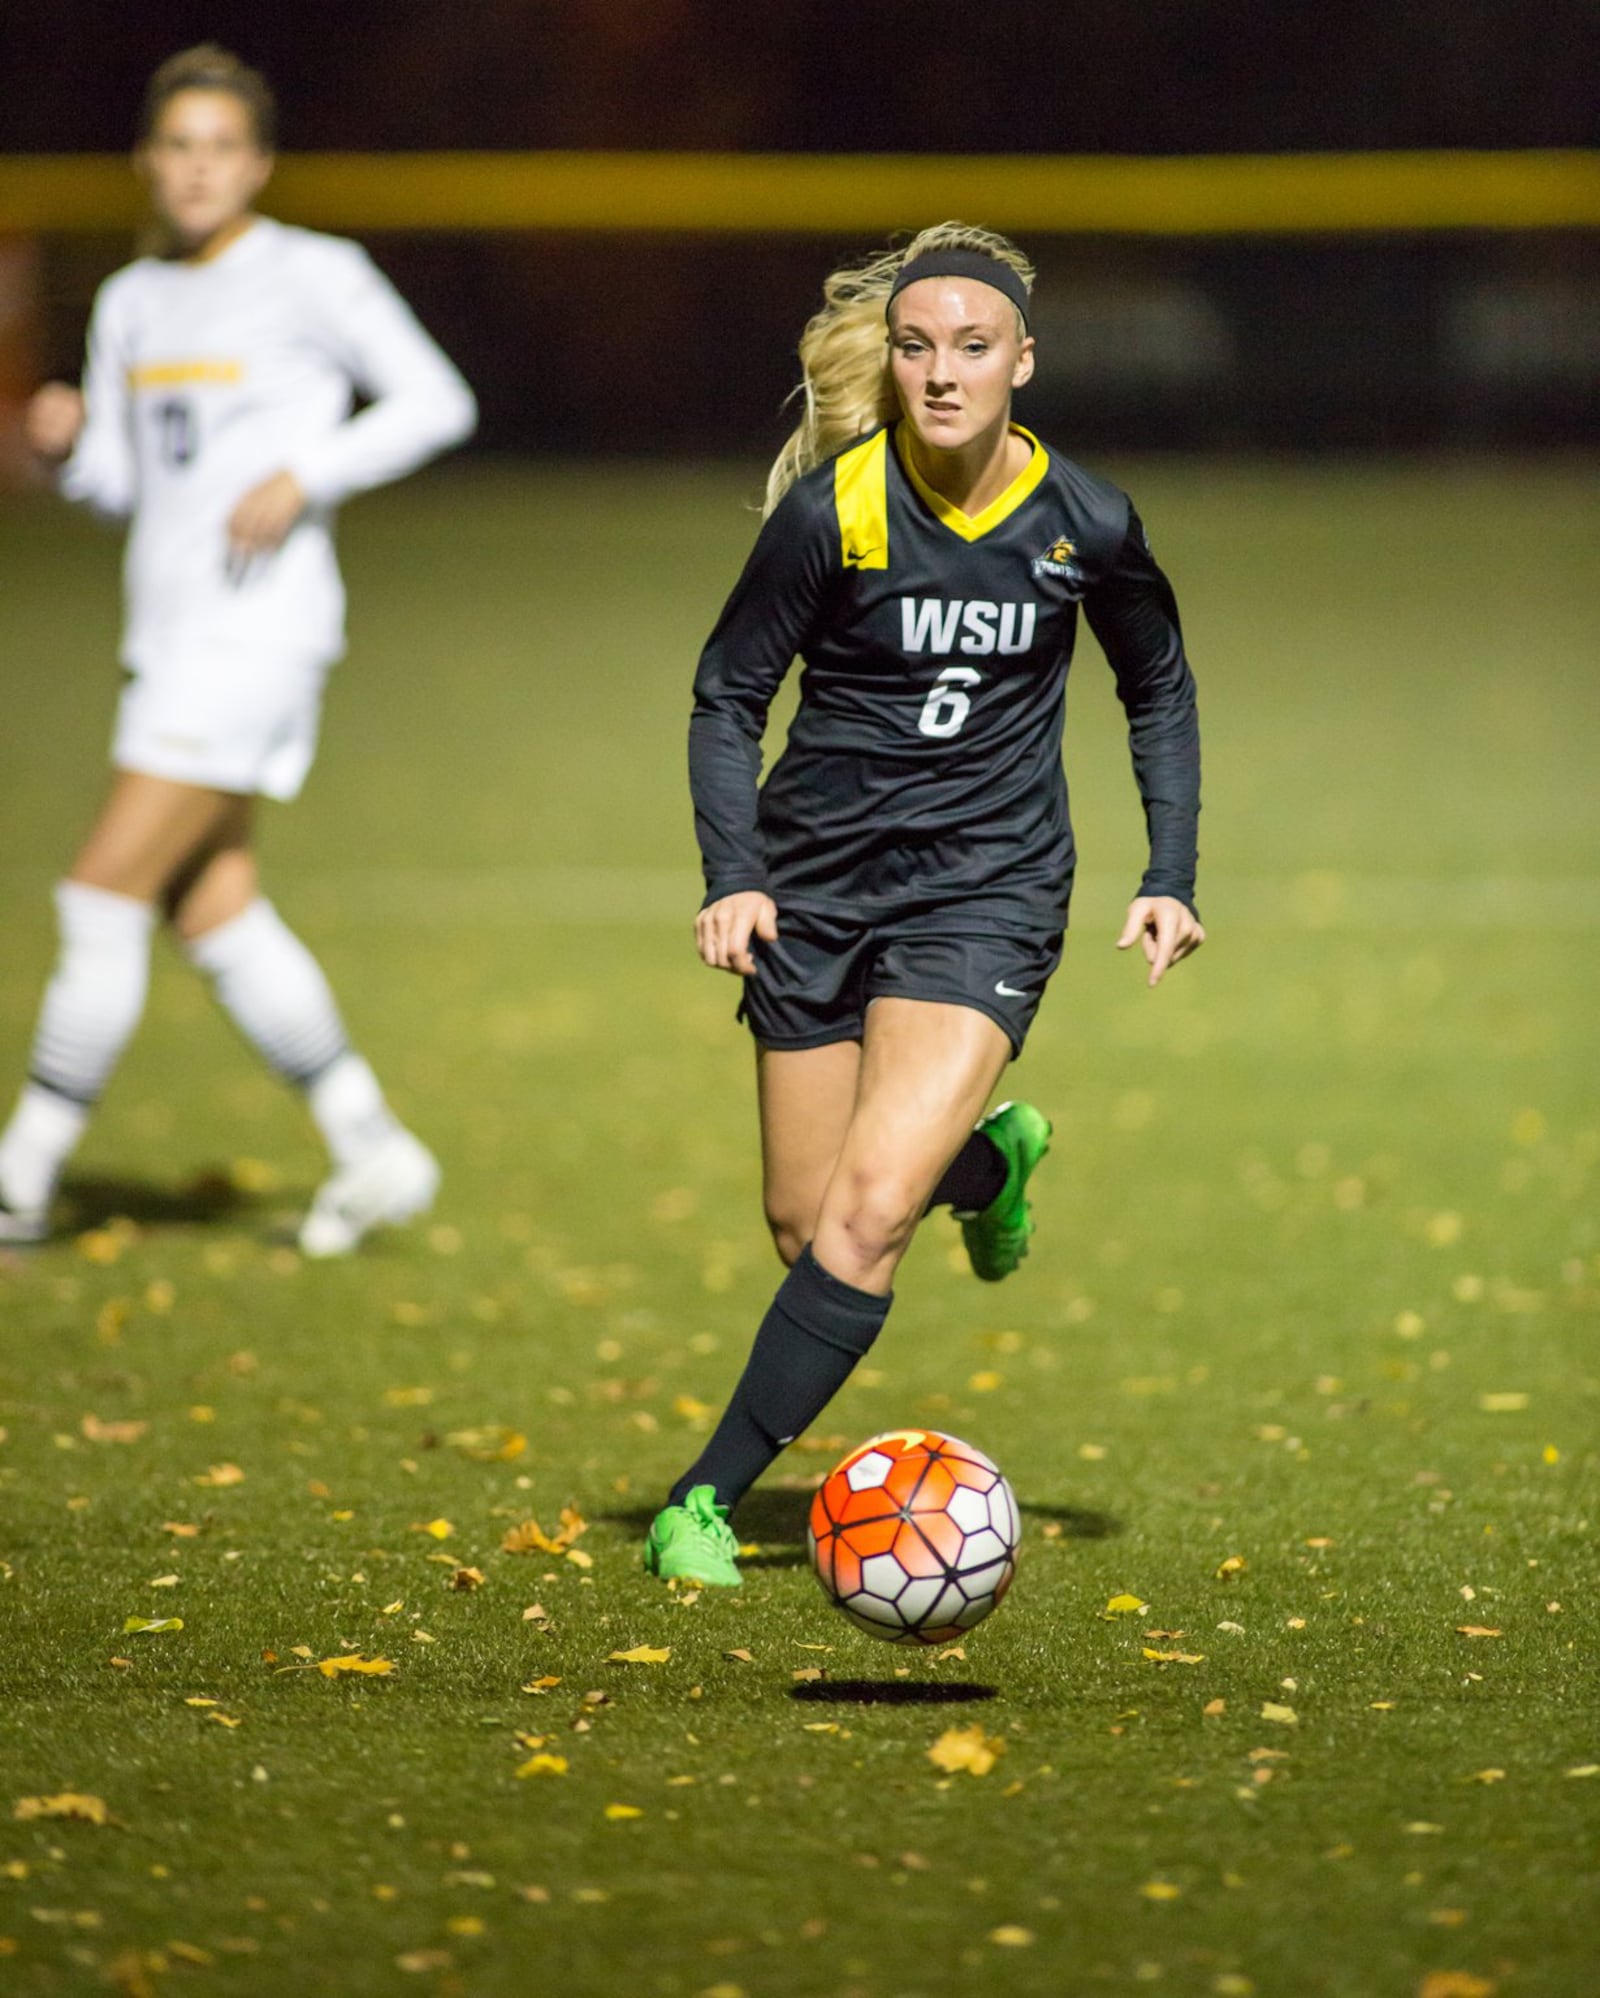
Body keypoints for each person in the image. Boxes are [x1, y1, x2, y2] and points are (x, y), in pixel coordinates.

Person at [643, 222, 1204, 1585]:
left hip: (988, 889)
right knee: (807, 1220)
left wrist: (1167, 872)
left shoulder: (1087, 521)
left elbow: (1159, 683)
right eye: (916, 347)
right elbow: (728, 694)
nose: (942, 372)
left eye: (970, 346)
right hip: (817, 887)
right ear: (890, 362)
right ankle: (989, 1162)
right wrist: (736, 875)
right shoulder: (832, 509)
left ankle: (701, 1498)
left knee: (867, 1216)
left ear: (1024, 358)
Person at [0, 45, 476, 1254]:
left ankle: (21, 1175)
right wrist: (65, 447)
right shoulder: (131, 302)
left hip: (258, 634)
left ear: (256, 162)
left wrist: (305, 470)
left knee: (98, 896)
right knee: (213, 912)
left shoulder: (314, 274)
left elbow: (436, 399)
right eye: (177, 146)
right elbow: (126, 485)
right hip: (166, 639)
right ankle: (374, 1149)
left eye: (222, 147)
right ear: (147, 162)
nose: (198, 168)